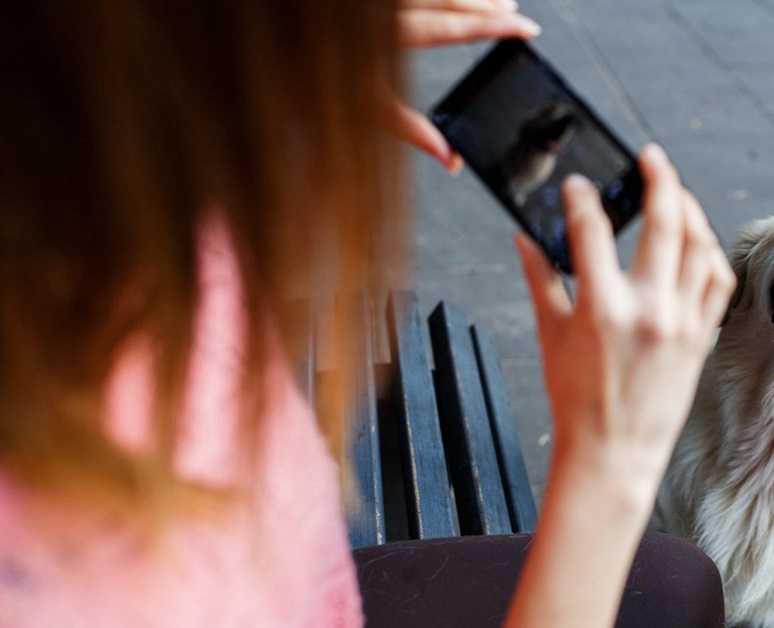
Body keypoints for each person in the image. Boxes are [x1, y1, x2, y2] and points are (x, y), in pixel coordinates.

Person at [0, 1, 734, 627]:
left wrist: (240, 82)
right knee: (672, 589)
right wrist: (611, 464)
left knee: (674, 583)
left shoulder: (76, 196)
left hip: (289, 562)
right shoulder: (89, 578)